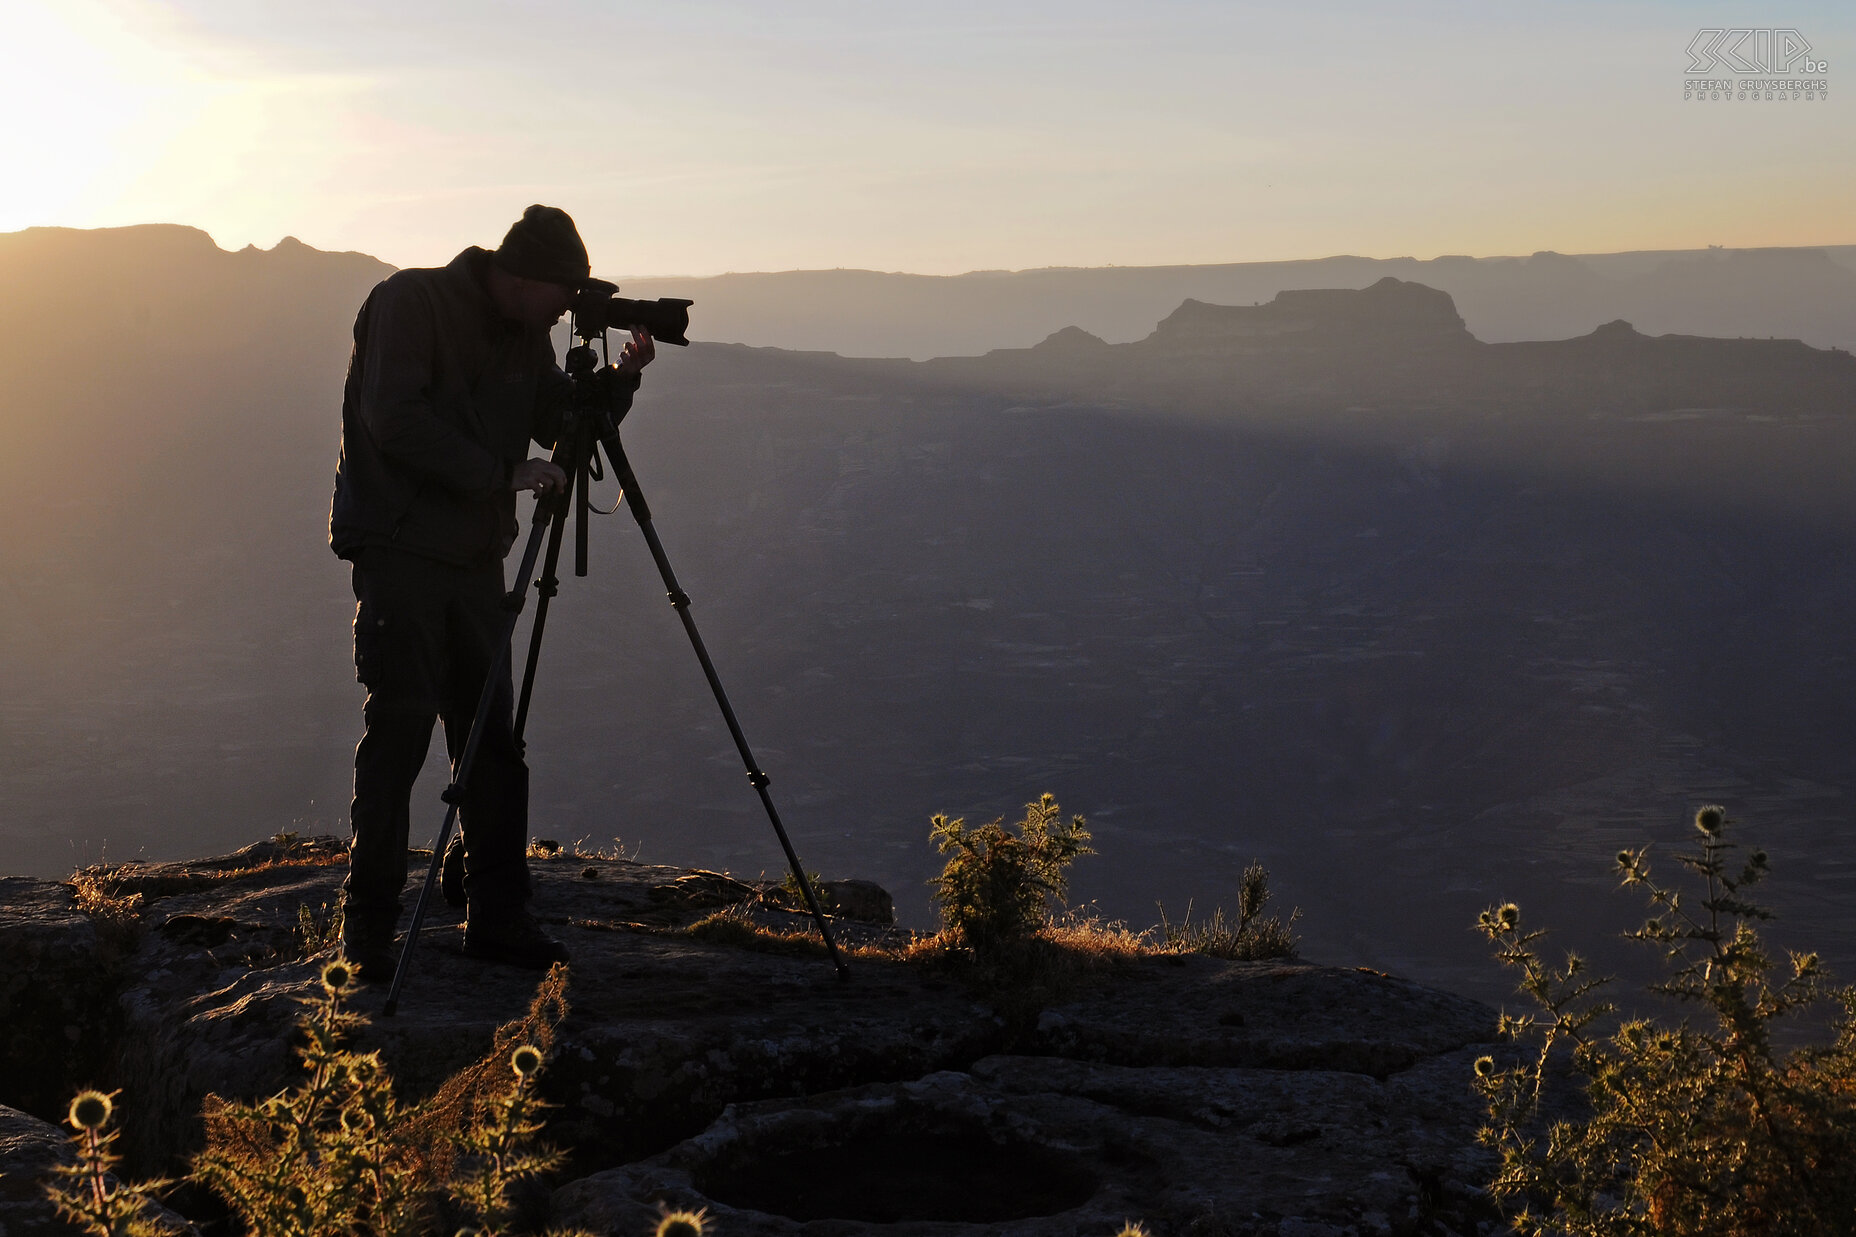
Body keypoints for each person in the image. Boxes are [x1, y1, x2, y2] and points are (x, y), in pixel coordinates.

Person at [329, 204, 653, 979]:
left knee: (493, 743)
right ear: (519, 277)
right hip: (401, 550)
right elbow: (393, 418)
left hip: (474, 557)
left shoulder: (524, 333)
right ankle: (368, 931)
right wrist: (500, 474)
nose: (567, 310)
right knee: (401, 733)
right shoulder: (412, 302)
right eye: (562, 295)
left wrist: (618, 382)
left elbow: (558, 422)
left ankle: (499, 915)